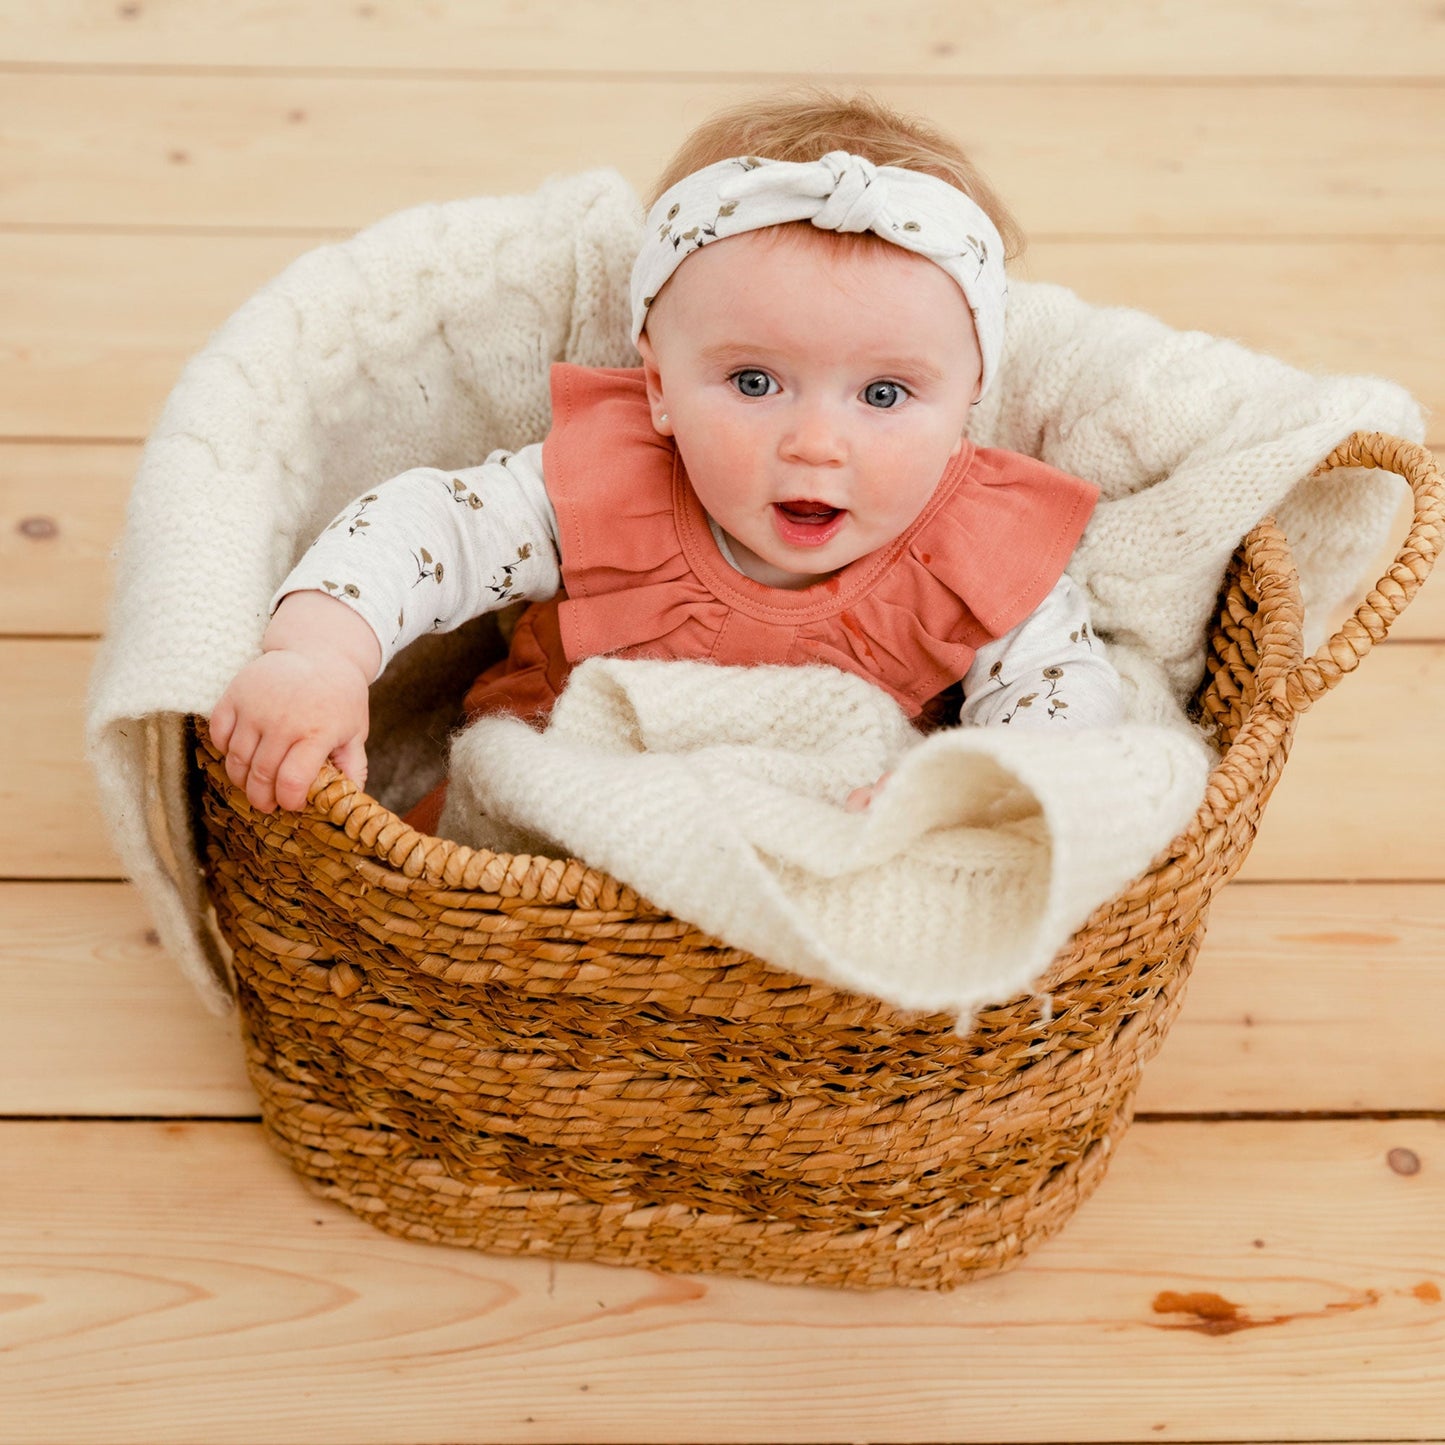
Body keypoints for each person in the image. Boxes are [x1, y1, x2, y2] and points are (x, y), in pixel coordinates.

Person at [210, 90, 1124, 827]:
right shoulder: (613, 481)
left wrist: (969, 787)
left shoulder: (974, 545)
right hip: (567, 800)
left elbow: (1060, 691)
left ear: (966, 409)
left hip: (826, 821)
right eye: (754, 382)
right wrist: (319, 655)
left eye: (884, 395)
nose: (814, 443)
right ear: (658, 386)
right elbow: (430, 528)